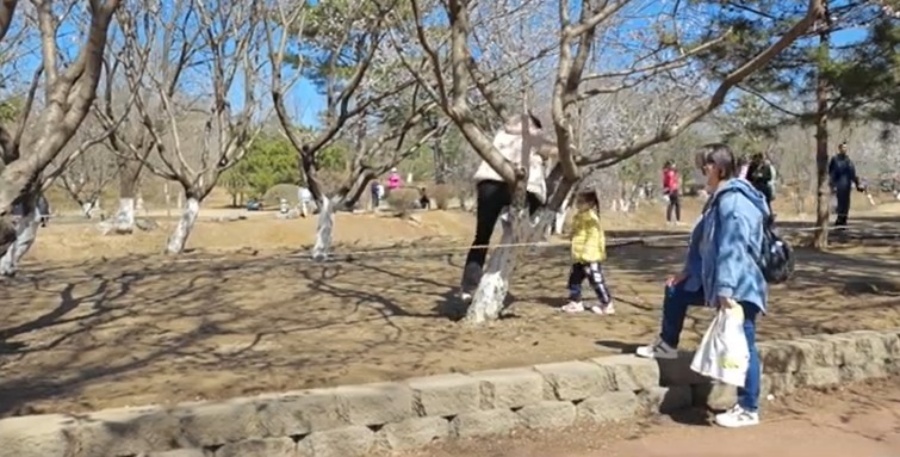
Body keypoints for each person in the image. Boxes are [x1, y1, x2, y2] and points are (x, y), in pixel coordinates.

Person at [635, 143, 769, 429]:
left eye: (705, 166)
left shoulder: (733, 201)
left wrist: (726, 290)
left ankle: (749, 407)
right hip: (716, 280)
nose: (701, 171)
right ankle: (667, 344)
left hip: (739, 285)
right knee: (676, 291)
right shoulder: (719, 198)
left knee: (745, 343)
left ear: (719, 168)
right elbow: (706, 244)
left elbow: (733, 248)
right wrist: (687, 272)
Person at [460, 113, 556, 299]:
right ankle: (518, 222)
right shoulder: (532, 136)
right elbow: (554, 151)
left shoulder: (501, 134)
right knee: (531, 210)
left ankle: (469, 286)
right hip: (525, 188)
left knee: (481, 237)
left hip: (489, 183)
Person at [561, 190, 614, 315]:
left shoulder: (591, 219)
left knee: (596, 280)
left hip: (590, 257)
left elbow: (593, 238)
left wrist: (587, 255)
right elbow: (577, 233)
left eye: (581, 202)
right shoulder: (579, 217)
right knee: (574, 280)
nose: (577, 205)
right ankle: (575, 302)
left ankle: (606, 304)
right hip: (579, 257)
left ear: (590, 204)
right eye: (577, 202)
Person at [828, 142, 865, 227]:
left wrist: (858, 184)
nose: (845, 149)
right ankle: (839, 219)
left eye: (846, 148)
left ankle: (844, 220)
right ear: (839, 148)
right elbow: (831, 173)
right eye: (843, 148)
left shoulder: (848, 161)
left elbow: (853, 173)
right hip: (838, 185)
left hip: (847, 185)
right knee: (839, 202)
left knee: (846, 203)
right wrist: (831, 184)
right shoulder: (835, 160)